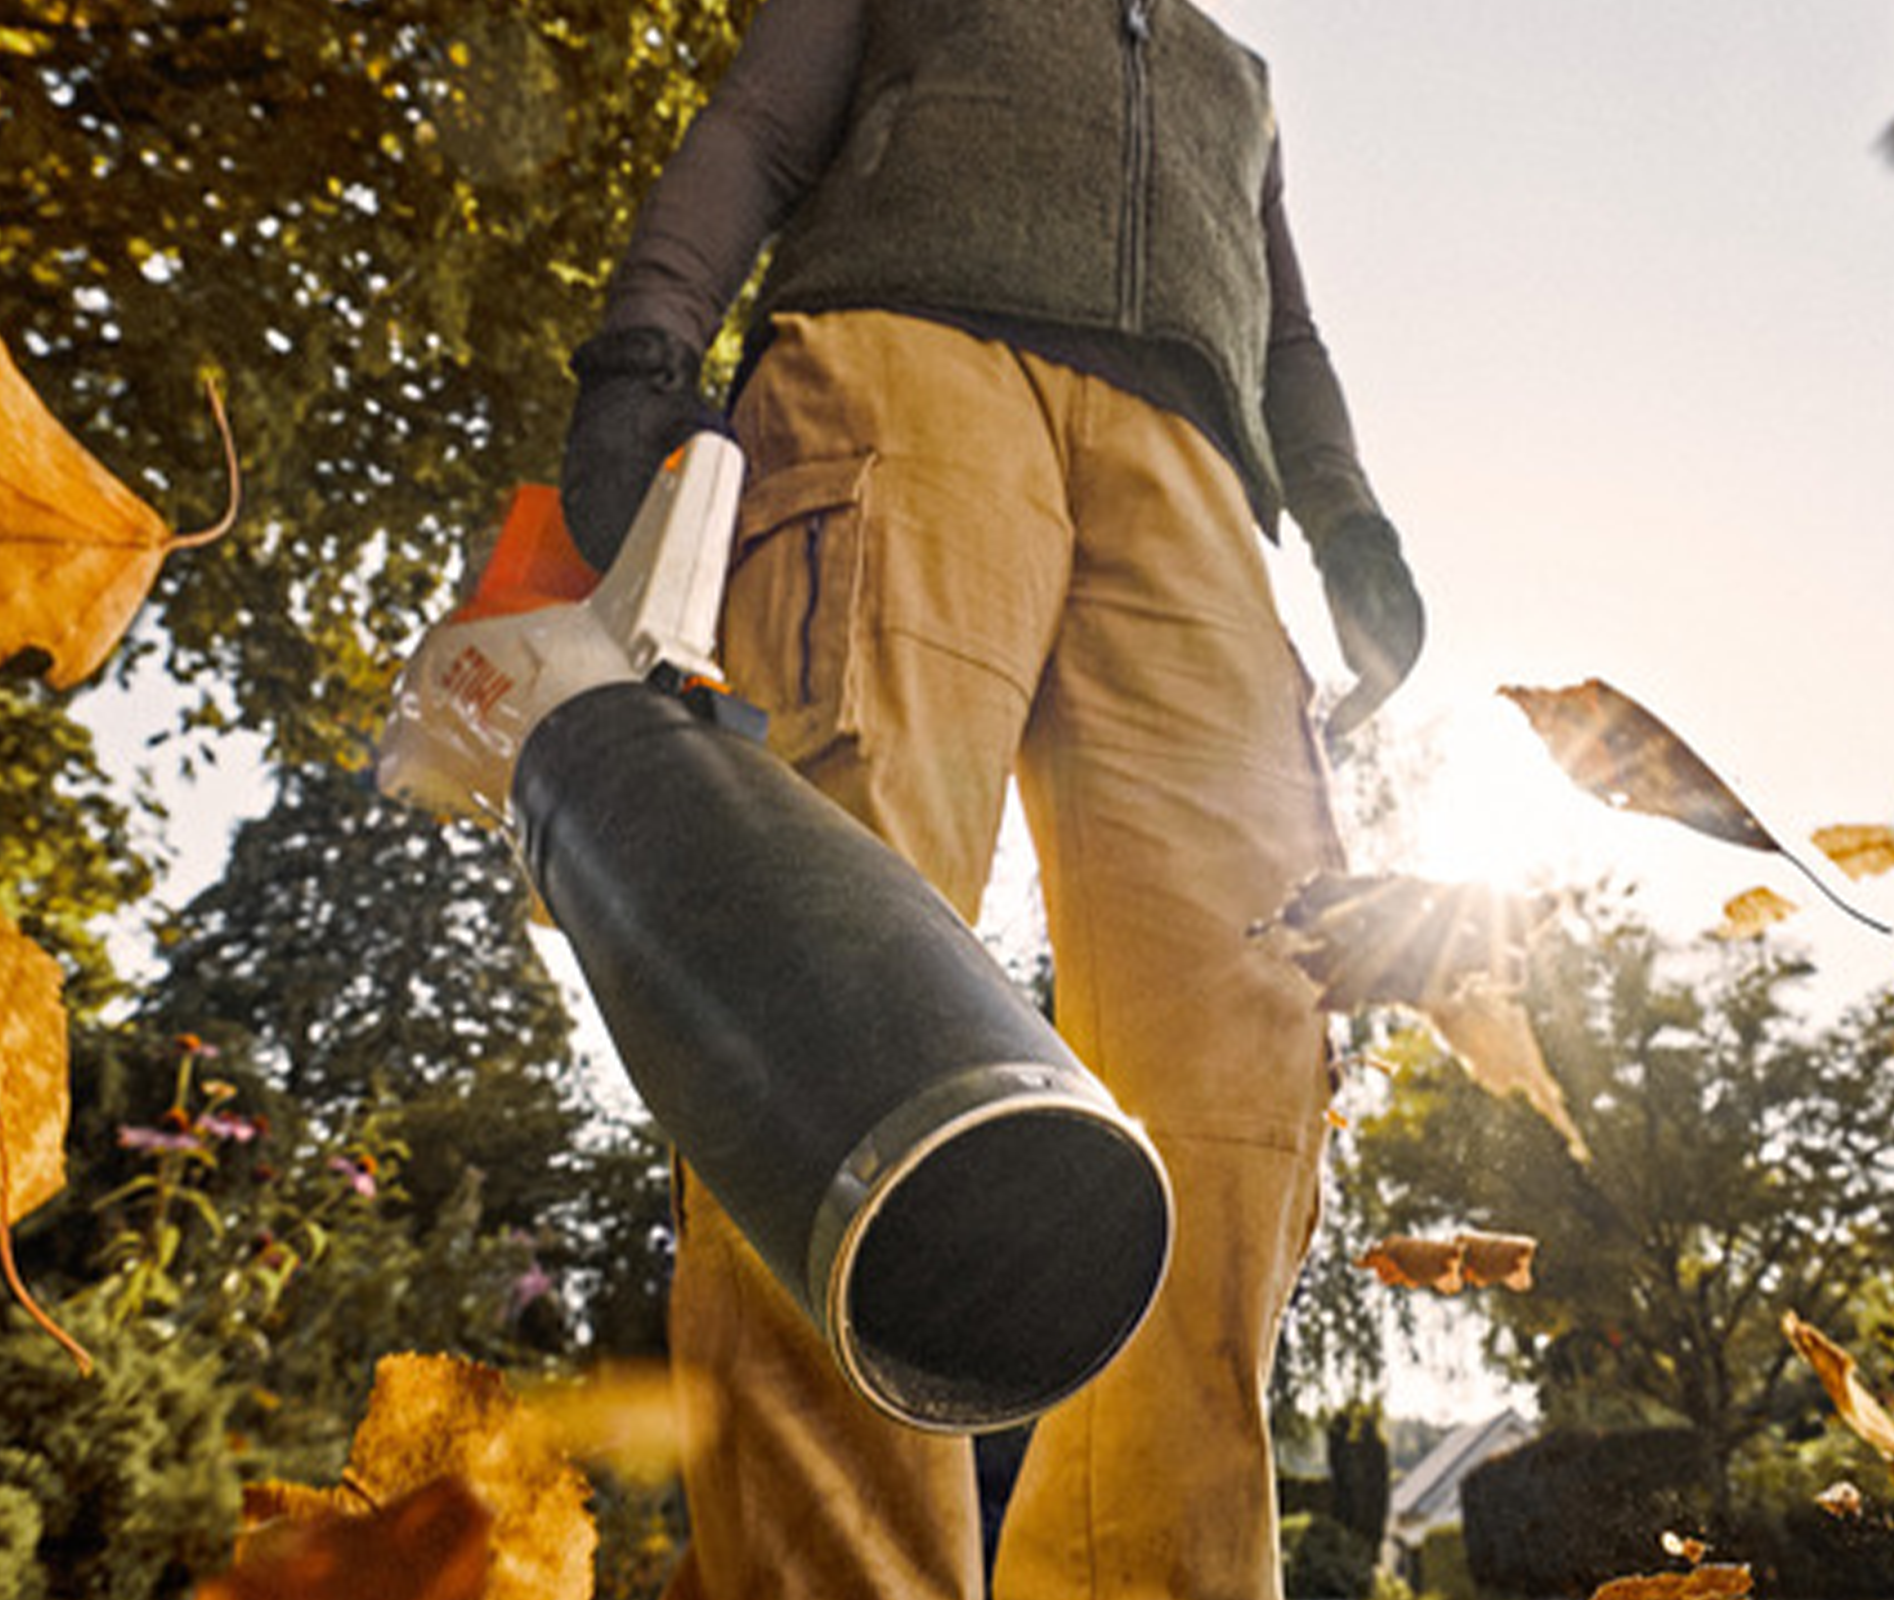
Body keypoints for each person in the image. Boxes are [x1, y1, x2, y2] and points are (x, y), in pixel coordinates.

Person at [556, 1, 1425, 1594]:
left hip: (1196, 484)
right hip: (902, 373)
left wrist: (1348, 514)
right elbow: (756, 130)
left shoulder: (1238, 77)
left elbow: (1291, 339)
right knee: (836, 1033)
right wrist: (644, 348)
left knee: (1243, 1050)